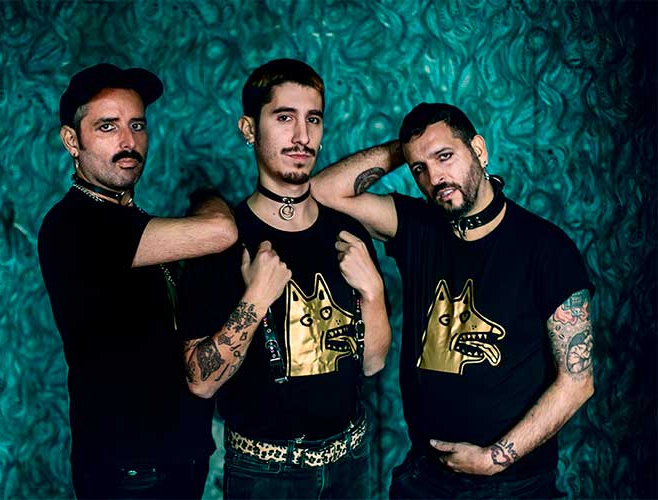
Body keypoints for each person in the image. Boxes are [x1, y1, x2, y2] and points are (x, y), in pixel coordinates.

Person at [312, 102, 595, 499]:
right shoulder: (416, 226)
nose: (435, 178)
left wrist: (495, 458)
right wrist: (408, 148)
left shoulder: (547, 249)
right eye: (420, 169)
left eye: (445, 156)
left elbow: (578, 382)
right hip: (424, 478)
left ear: (478, 150)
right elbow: (323, 191)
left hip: (514, 484)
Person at [179, 58, 391, 499]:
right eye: (284, 118)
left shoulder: (348, 232)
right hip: (264, 473)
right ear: (249, 129)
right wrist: (256, 298)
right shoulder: (222, 241)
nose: (302, 136)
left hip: (351, 461)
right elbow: (200, 380)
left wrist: (373, 292)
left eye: (313, 119)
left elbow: (372, 363)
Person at [38, 63, 237, 499]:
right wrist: (206, 196)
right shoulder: (75, 224)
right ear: (72, 140)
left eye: (137, 125)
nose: (128, 141)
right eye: (107, 127)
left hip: (179, 459)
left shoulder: (134, 220)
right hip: (128, 472)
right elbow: (221, 231)